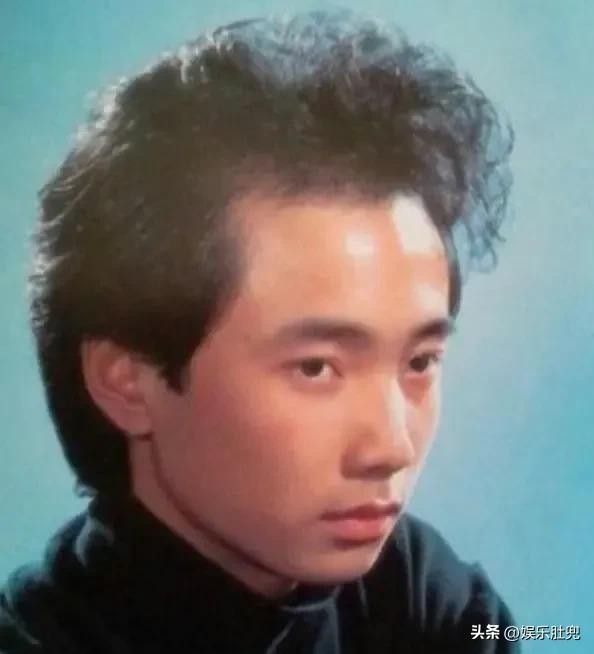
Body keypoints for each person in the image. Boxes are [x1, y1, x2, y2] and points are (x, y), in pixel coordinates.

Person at [0, 10, 517, 653]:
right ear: (126, 380)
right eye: (316, 367)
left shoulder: (423, 596)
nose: (391, 447)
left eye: (419, 362)